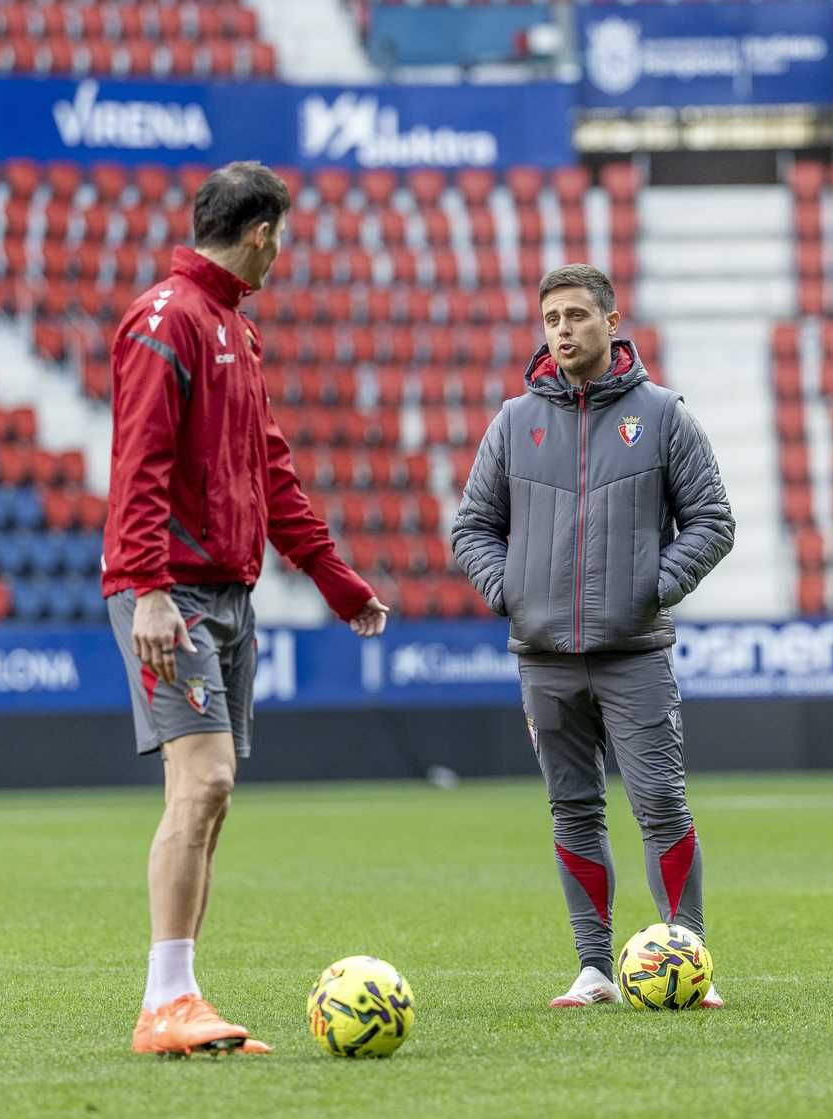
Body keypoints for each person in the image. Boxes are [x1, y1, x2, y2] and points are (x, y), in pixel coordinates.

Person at [102, 162, 391, 1056]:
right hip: (173, 593)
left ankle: (180, 995)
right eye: (281, 237)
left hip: (229, 591)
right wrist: (149, 587)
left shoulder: (234, 330)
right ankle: (162, 1003)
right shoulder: (167, 320)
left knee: (209, 800)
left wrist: (335, 579)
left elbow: (271, 472)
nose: (280, 253)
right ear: (262, 230)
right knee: (207, 780)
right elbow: (139, 463)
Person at [451, 264, 735, 1009]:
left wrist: (652, 586)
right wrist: (511, 590)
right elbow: (472, 528)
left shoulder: (664, 415)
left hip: (634, 654)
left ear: (612, 322)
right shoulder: (515, 422)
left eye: (578, 314)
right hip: (543, 660)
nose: (565, 329)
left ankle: (688, 956)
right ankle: (593, 968)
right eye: (553, 318)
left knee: (661, 805)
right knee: (572, 809)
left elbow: (713, 520)